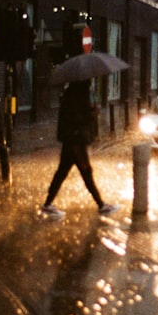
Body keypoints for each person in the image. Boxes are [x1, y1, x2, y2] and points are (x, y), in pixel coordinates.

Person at [41, 80, 118, 217]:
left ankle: (48, 204)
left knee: (64, 173)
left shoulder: (71, 94)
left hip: (71, 140)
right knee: (85, 171)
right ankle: (101, 205)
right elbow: (77, 119)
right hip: (76, 141)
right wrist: (93, 113)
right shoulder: (77, 96)